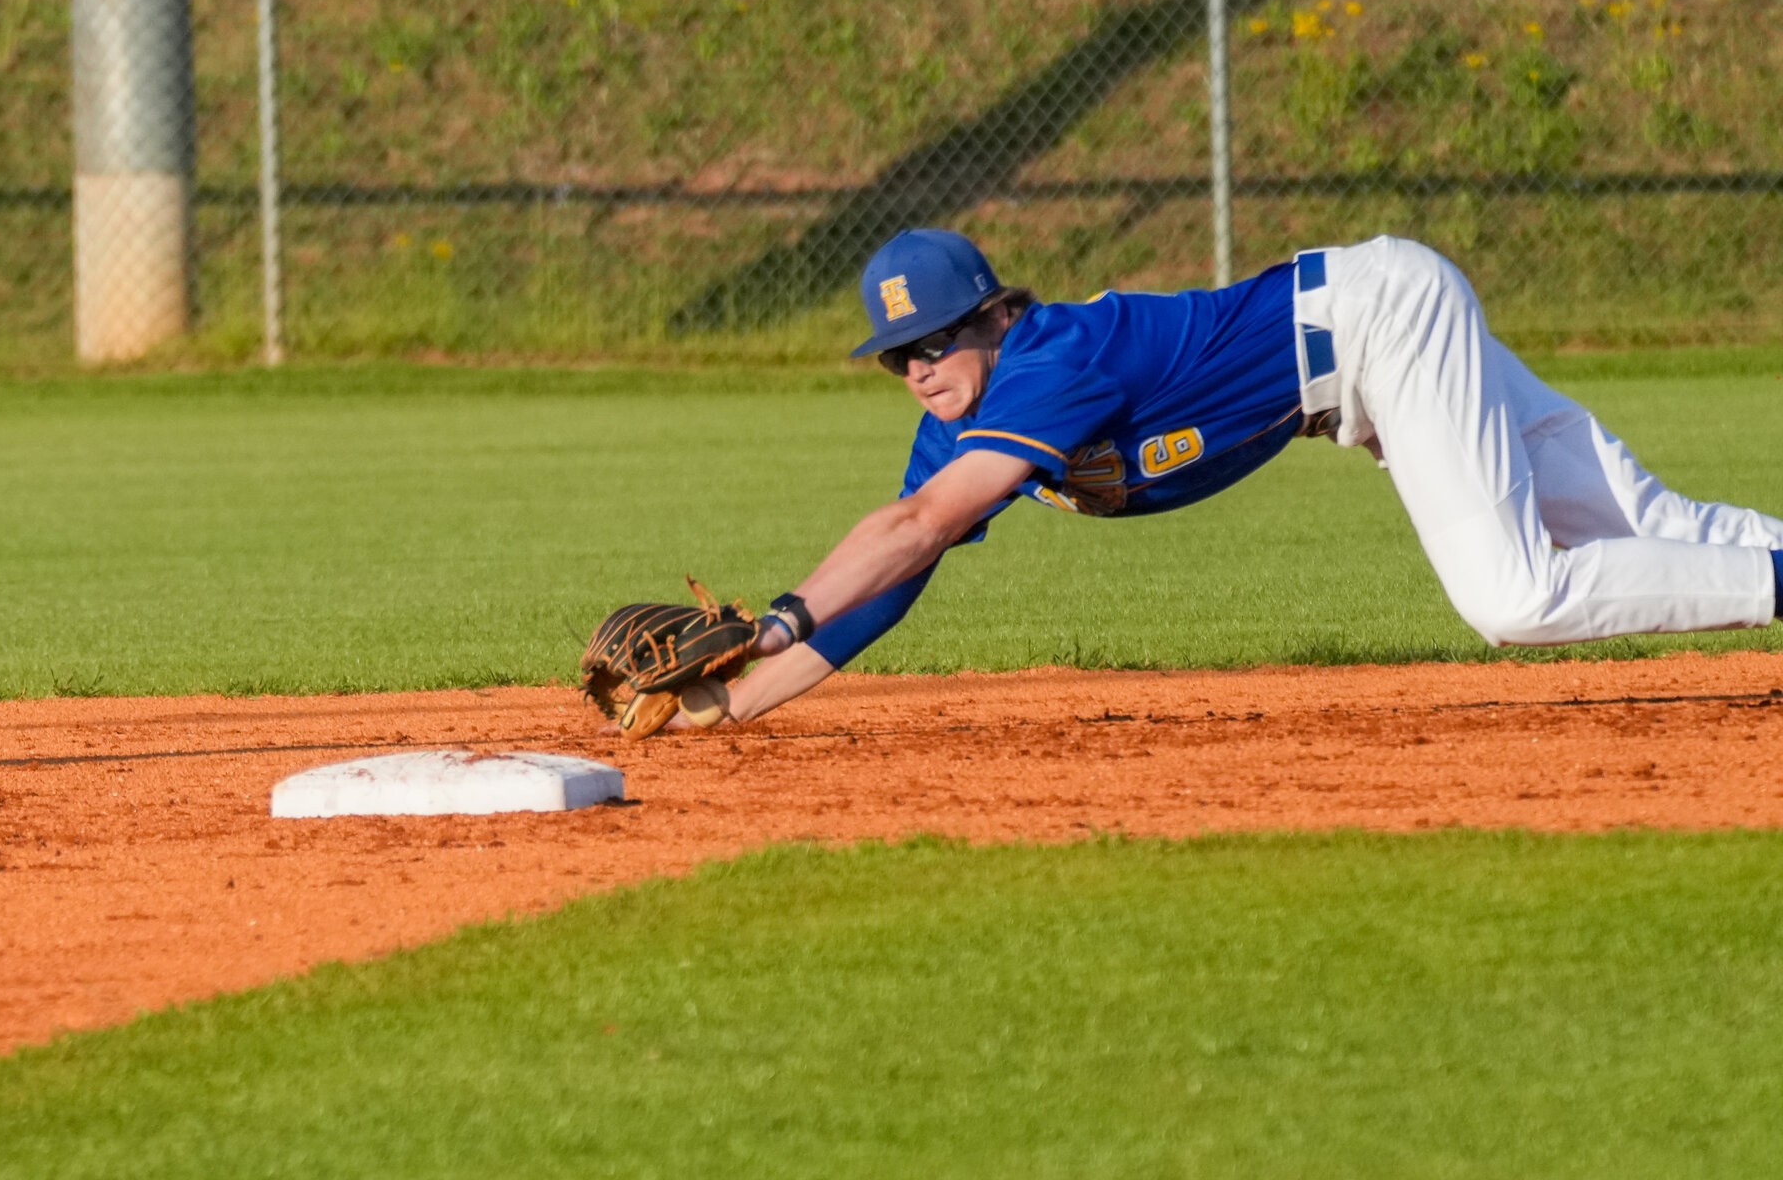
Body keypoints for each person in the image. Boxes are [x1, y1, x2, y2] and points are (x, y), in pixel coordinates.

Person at [698, 229, 1783, 727]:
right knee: (1645, 522)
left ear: (995, 315)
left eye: (936, 341)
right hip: (1364, 346)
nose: (919, 371)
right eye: (896, 357)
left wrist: (779, 620)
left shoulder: (1051, 364)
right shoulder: (966, 419)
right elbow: (899, 571)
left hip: (1378, 323)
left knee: (1515, 597)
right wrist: (731, 702)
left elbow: (915, 524)